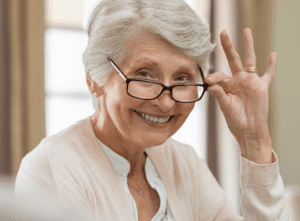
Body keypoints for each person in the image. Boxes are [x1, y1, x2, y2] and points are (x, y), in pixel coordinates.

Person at [15, 0, 288, 220]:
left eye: (182, 78)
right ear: (93, 79)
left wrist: (255, 143)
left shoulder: (184, 163)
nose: (166, 103)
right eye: (144, 75)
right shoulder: (49, 170)